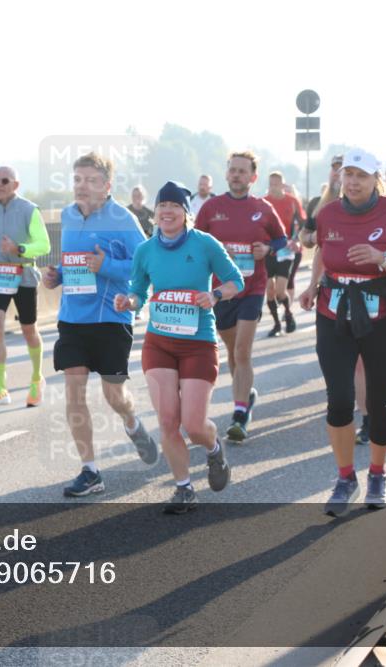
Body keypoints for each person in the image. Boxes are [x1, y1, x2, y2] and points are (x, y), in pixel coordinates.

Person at [297, 149, 386, 516]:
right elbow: (324, 250)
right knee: (338, 399)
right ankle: (345, 477)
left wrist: (382, 258)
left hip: (383, 317)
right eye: (347, 174)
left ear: (375, 180)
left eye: (361, 176)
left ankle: (378, 474)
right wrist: (312, 284)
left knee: (378, 403)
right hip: (333, 312)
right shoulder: (328, 213)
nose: (352, 182)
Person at [116, 181, 244, 513]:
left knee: (194, 425)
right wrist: (129, 302)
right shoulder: (145, 250)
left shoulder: (205, 244)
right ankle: (184, 488)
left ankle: (213, 449)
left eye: (174, 206)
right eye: (162, 206)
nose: (167, 212)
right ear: (155, 213)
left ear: (186, 213)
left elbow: (236, 281)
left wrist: (215, 295)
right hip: (159, 343)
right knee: (168, 420)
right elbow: (138, 291)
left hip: (198, 343)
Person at [42, 152, 158, 497]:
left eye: (91, 180)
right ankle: (90, 470)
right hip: (72, 318)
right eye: (78, 179)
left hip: (111, 318)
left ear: (107, 185)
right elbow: (74, 263)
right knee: (73, 391)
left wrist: (106, 266)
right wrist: (57, 277)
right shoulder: (67, 215)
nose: (82, 186)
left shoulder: (123, 219)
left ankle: (132, 422)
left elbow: (145, 266)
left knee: (114, 396)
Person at [195, 151, 287, 442]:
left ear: (253, 177)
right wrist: (217, 251)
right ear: (226, 174)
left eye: (242, 171)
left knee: (242, 351)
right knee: (233, 350)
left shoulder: (263, 208)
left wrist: (268, 250)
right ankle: (246, 396)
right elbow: (195, 242)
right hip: (221, 291)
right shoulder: (211, 208)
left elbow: (282, 239)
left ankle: (239, 415)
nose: (236, 175)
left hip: (252, 288)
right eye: (232, 170)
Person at [0, 166, 50, 407]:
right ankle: (0, 387)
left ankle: (37, 379)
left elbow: (44, 245)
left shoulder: (29, 209)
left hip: (24, 272)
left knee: (28, 329)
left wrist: (19, 248)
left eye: (5, 181)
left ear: (16, 185)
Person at [262, 171, 303, 335]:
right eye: (270, 184)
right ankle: (277, 324)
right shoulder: (263, 202)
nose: (273, 187)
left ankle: (288, 313)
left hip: (286, 249)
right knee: (269, 291)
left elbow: (303, 224)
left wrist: (297, 240)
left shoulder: (292, 201)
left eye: (276, 184)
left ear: (282, 185)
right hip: (268, 250)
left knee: (280, 291)